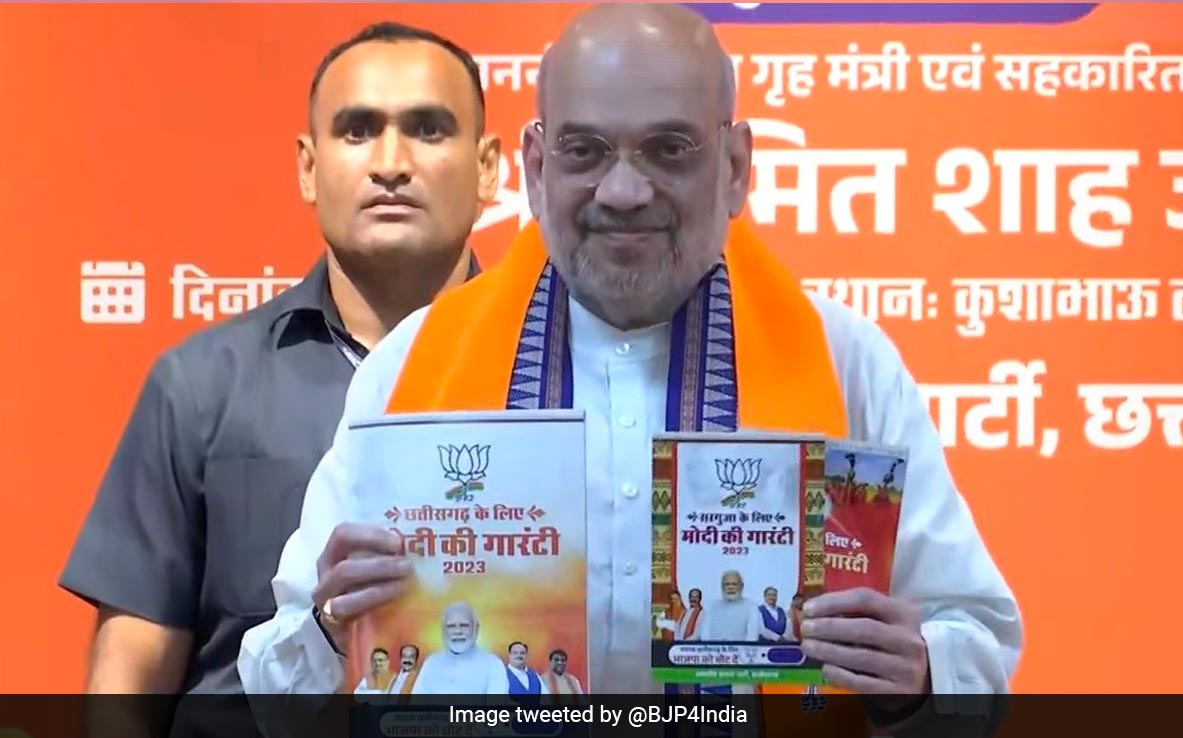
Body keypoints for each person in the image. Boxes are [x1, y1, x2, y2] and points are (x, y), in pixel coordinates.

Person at [240, 4, 1021, 736]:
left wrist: (918, 675)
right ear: (537, 167)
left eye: (669, 149)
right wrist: (330, 626)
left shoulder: (846, 363)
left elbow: (979, 640)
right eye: (584, 152)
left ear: (736, 167)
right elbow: (275, 687)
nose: (622, 191)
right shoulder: (414, 367)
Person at [58, 18, 499, 733]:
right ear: (307, 167)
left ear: (488, 168)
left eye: (427, 129)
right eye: (358, 131)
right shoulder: (201, 385)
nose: (391, 163)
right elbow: (128, 676)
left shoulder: (558, 383)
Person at [408, 602, 508, 695]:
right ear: (443, 630)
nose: (458, 631)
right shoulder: (431, 663)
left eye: (464, 625)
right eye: (451, 626)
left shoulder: (493, 665)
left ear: (476, 628)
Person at [698, 571, 758, 642]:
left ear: (741, 586)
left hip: (741, 648)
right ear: (722, 586)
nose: (730, 587)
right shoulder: (712, 606)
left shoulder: (751, 606)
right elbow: (705, 634)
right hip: (714, 648)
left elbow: (752, 636)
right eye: (727, 584)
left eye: (734, 584)